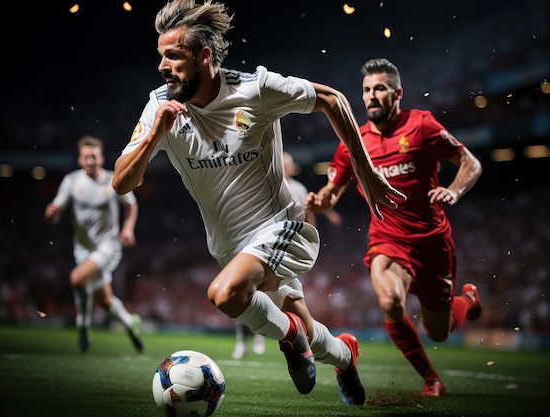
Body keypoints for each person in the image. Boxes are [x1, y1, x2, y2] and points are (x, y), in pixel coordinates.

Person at [112, 0, 405, 403]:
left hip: (282, 228)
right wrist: (153, 134)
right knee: (313, 340)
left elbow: (333, 99)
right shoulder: (160, 106)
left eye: (173, 56)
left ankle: (288, 338)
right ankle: (344, 356)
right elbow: (121, 182)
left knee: (224, 294)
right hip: (229, 247)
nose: (163, 65)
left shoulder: (255, 89)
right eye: (160, 55)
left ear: (204, 56)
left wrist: (366, 171)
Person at [306, 58, 483, 397]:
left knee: (440, 332)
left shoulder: (422, 126)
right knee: (390, 302)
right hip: (388, 240)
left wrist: (454, 190)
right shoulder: (352, 142)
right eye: (366, 90)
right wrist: (320, 202)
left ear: (398, 93)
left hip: (432, 241)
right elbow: (332, 193)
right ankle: (431, 379)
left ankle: (469, 298)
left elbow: (469, 162)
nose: (371, 96)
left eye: (380, 89)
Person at [231, 152, 342, 360]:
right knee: (247, 289)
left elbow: (309, 212)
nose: (284, 166)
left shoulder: (298, 188)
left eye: (287, 164)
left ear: (291, 168)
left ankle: (280, 338)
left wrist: (311, 240)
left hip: (287, 247)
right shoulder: (264, 184)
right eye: (281, 163)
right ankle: (245, 339)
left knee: (279, 293)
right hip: (263, 244)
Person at [44, 135, 144, 354]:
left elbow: (131, 205)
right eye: (86, 157)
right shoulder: (71, 181)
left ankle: (83, 324)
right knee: (106, 302)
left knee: (77, 278)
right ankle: (130, 323)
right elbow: (56, 212)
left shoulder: (112, 179)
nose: (90, 161)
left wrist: (127, 229)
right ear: (80, 160)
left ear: (101, 158)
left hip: (108, 247)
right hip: (83, 249)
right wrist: (51, 214)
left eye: (94, 157)